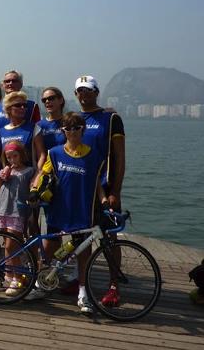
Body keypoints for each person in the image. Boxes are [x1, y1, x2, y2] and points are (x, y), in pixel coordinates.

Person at [29, 112, 107, 314]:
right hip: (58, 208)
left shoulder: (94, 156)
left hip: (82, 209)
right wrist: (33, 192)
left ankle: (83, 292)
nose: (72, 132)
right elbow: (43, 174)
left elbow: (98, 182)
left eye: (76, 128)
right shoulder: (54, 153)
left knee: (82, 252)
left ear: (83, 130)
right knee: (50, 247)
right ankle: (42, 283)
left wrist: (104, 199)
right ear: (63, 131)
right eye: (68, 128)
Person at [74, 75, 126, 307]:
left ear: (96, 92)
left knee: (110, 240)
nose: (83, 94)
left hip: (104, 189)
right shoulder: (74, 119)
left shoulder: (111, 118)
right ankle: (81, 282)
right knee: (81, 239)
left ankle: (113, 285)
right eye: (79, 91)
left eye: (88, 90)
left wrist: (115, 191)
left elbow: (120, 157)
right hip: (81, 189)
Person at [0, 91, 46, 237]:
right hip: (10, 187)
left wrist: (37, 176)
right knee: (10, 234)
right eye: (18, 105)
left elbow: (42, 154)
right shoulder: (0, 133)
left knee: (31, 226)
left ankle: (34, 259)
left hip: (28, 182)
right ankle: (15, 259)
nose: (23, 108)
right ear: (8, 109)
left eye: (24, 105)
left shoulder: (33, 128)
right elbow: (1, 159)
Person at [0, 141, 35, 295]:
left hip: (17, 211)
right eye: (9, 157)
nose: (12, 160)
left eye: (14, 156)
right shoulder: (5, 170)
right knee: (6, 245)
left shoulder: (29, 171)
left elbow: (31, 191)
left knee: (12, 246)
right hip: (3, 210)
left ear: (21, 155)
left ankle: (19, 278)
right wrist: (2, 178)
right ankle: (9, 276)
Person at [38, 87, 66, 153]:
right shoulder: (39, 125)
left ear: (61, 100)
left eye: (51, 98)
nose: (47, 101)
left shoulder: (69, 122)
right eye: (44, 100)